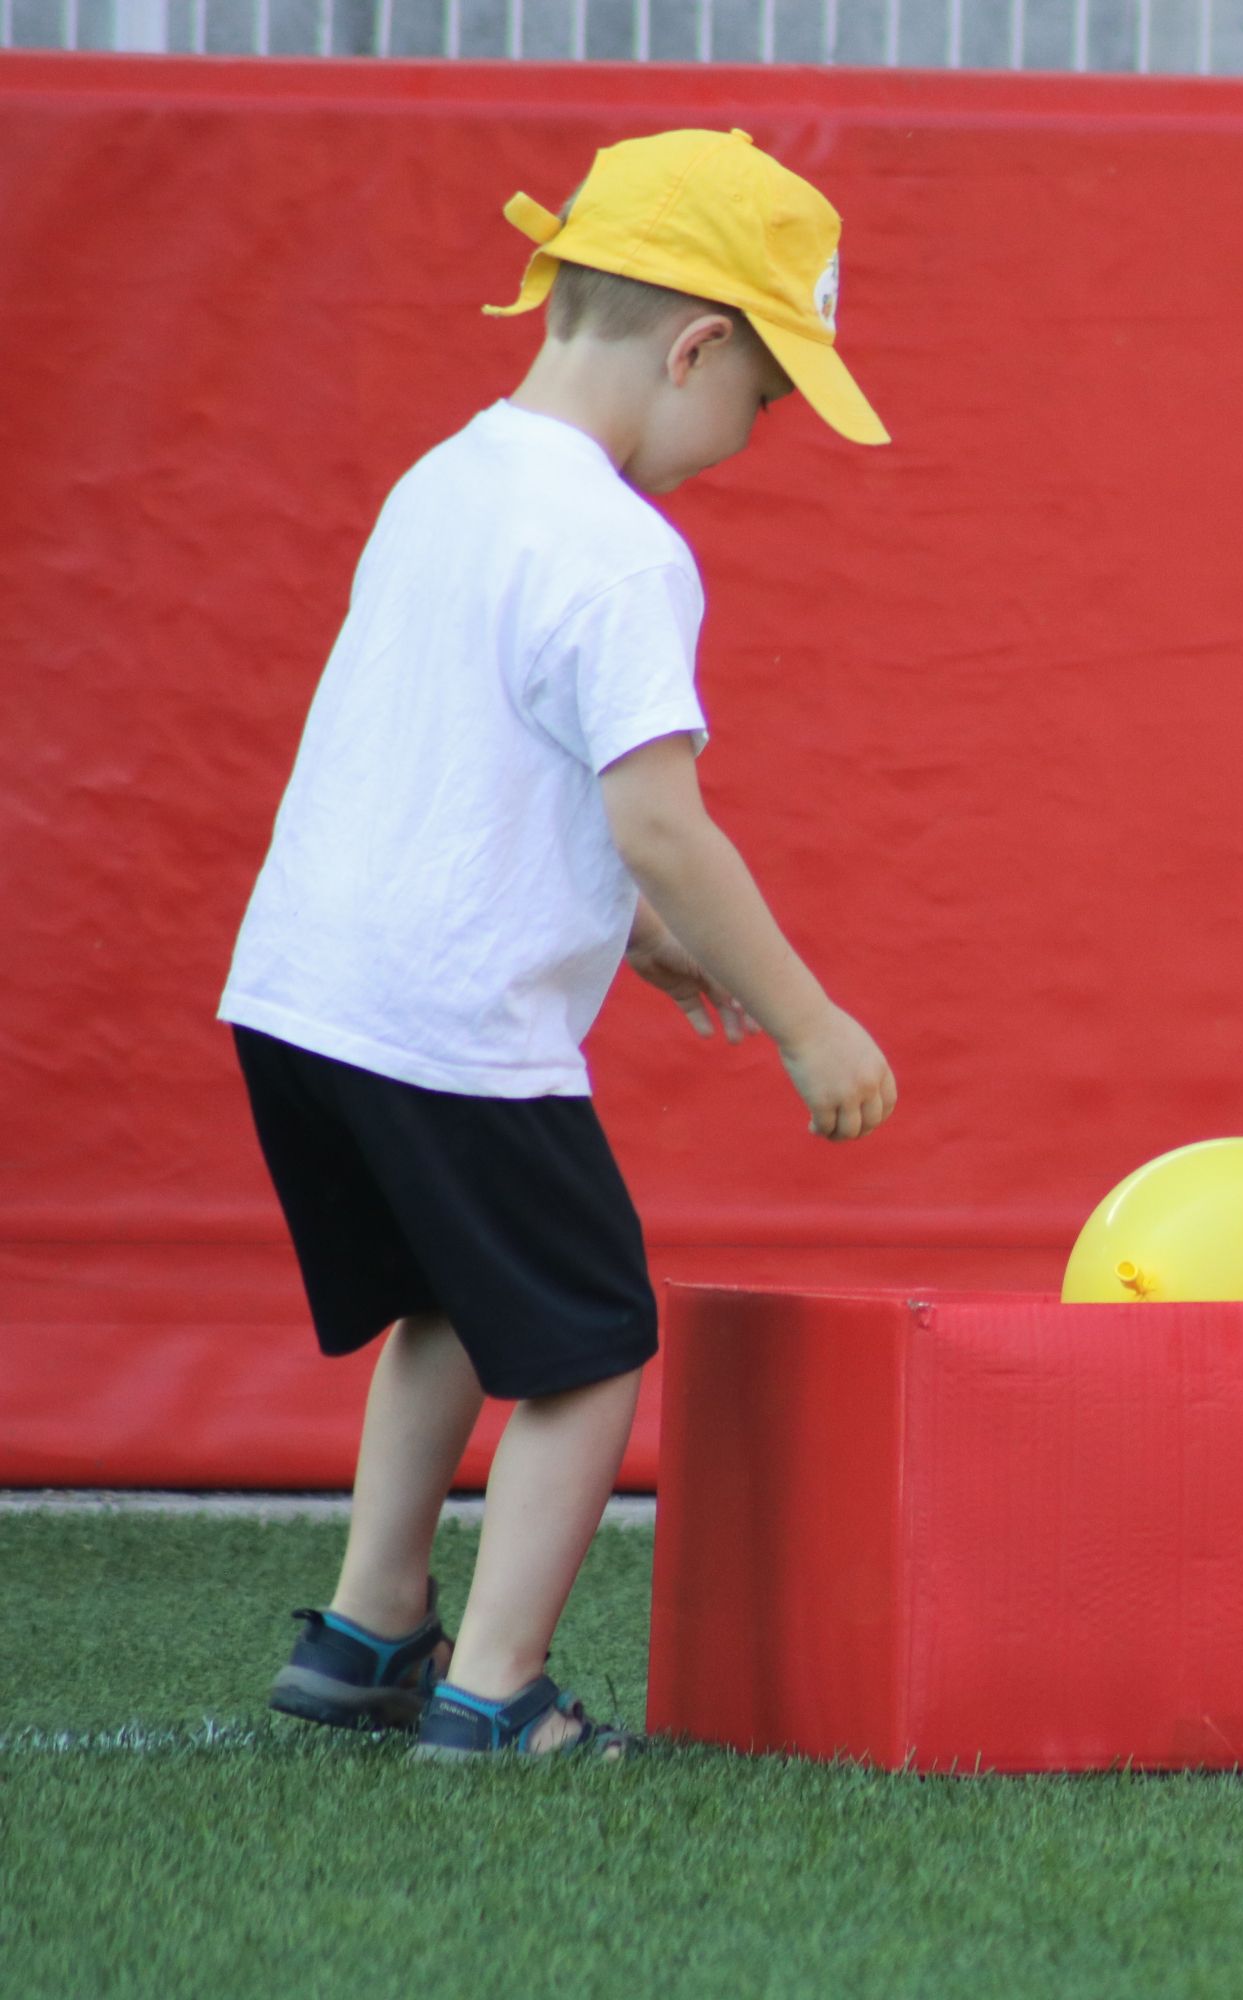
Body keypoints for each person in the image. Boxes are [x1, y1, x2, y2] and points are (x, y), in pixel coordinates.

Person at [220, 128, 900, 1761]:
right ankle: (496, 1690)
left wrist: (641, 937)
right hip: (458, 1027)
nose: (753, 435)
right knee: (591, 1345)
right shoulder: (618, 548)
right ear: (695, 345)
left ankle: (368, 1633)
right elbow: (657, 810)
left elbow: (464, 759)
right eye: (768, 396)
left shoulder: (446, 474)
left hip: (304, 999)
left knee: (454, 1303)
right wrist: (805, 1019)